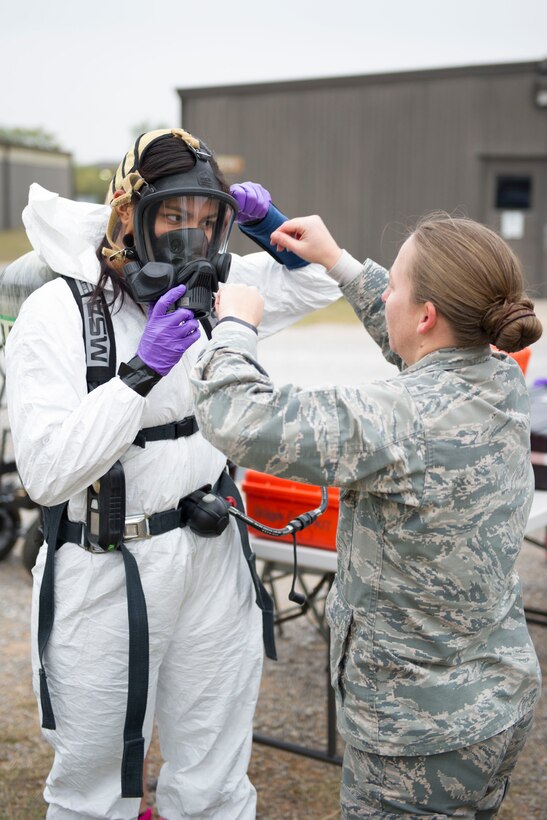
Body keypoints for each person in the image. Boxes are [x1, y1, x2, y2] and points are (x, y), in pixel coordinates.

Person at [5, 129, 342, 820]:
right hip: (106, 563)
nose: (192, 237)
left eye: (207, 219)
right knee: (95, 784)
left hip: (212, 551)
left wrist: (265, 225)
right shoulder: (59, 312)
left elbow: (317, 283)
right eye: (174, 216)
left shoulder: (220, 286)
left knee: (215, 770)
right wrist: (138, 376)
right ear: (128, 215)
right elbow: (43, 475)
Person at [190, 212, 543, 818]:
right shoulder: (500, 376)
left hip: (414, 739)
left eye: (395, 287)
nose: (385, 295)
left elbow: (238, 418)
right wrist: (337, 262)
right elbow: (422, 344)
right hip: (495, 702)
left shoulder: (401, 417)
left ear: (427, 313)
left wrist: (234, 328)